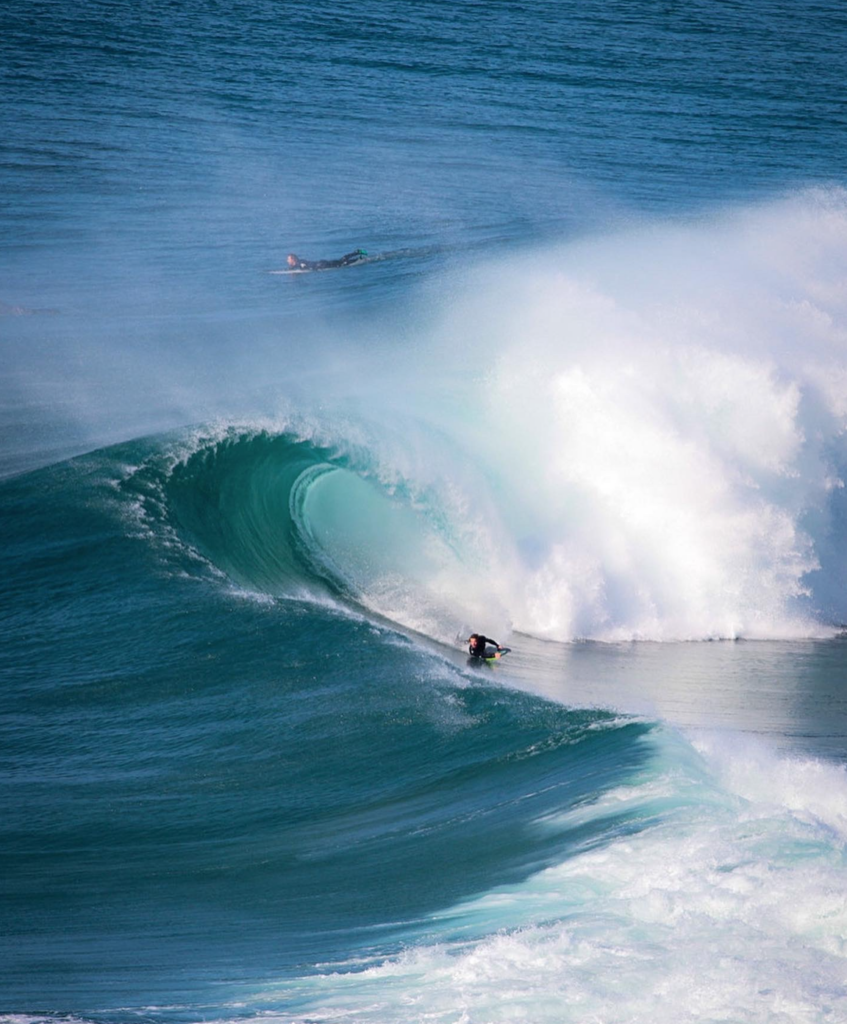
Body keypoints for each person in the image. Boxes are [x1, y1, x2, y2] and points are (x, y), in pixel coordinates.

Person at [286, 248, 368, 271]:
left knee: (343, 263)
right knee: (342, 261)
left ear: (293, 259)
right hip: (321, 263)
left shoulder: (300, 263)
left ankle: (358, 255)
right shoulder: (299, 262)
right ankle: (357, 255)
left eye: (288, 259)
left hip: (323, 265)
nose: (287, 261)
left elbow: (302, 266)